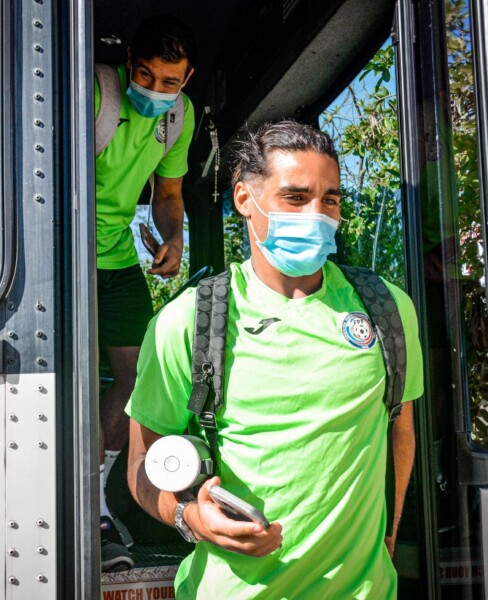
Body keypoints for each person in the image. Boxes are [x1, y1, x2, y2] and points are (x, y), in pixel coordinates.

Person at [126, 120, 423, 598]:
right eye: (295, 197)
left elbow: (399, 429)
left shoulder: (387, 308)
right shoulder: (188, 320)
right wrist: (190, 517)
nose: (317, 215)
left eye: (330, 200)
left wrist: (389, 535)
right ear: (245, 199)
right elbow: (142, 463)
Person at [95, 14, 196, 571]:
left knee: (136, 376)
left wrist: (174, 237)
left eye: (170, 81)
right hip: (60, 257)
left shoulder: (179, 117)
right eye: (146, 75)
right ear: (129, 62)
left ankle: (95, 504)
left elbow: (169, 193)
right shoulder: (94, 93)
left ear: (187, 79)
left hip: (116, 259)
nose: (156, 90)